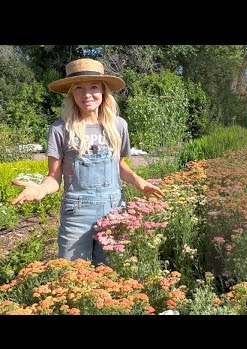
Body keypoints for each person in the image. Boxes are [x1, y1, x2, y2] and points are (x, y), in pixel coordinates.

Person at [11, 58, 162, 266]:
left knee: (110, 274)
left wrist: (138, 181)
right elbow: (54, 176)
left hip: (114, 211)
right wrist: (41, 190)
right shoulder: (59, 129)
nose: (87, 94)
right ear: (72, 93)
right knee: (72, 275)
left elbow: (120, 165)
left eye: (93, 87)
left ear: (103, 92)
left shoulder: (118, 126)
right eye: (79, 88)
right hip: (76, 214)